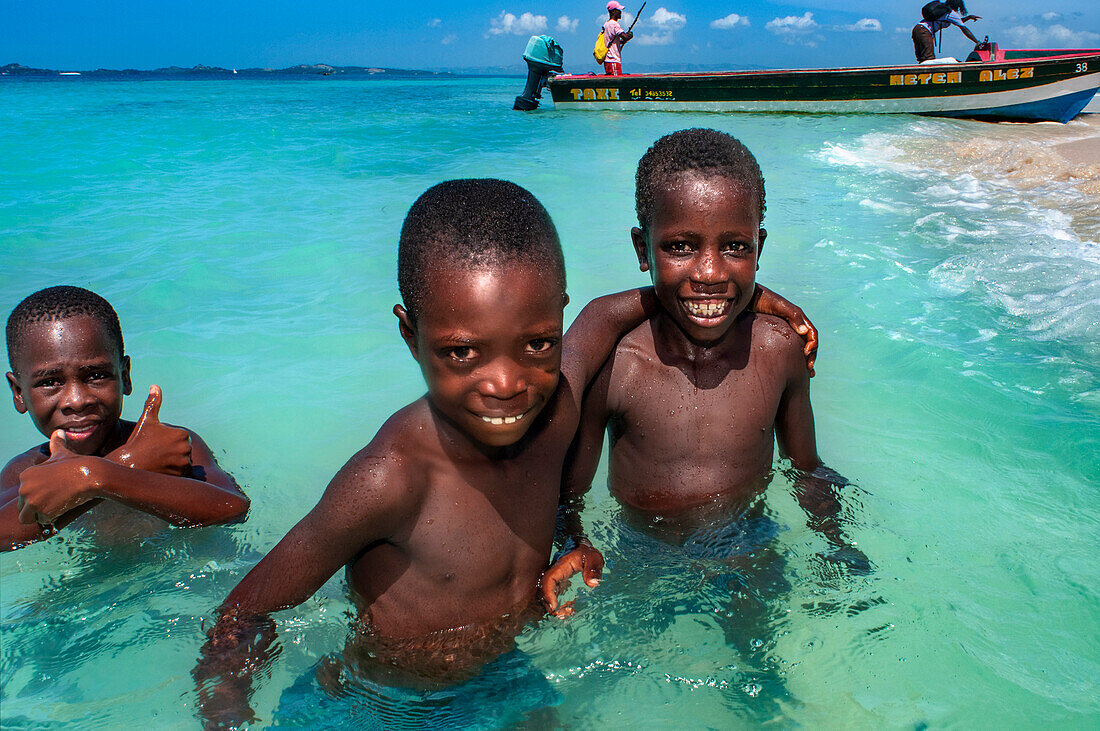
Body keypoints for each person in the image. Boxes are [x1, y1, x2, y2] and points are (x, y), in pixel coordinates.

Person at [192, 179, 813, 727]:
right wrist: (226, 708)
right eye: (462, 352)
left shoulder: (556, 408)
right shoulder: (391, 479)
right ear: (410, 334)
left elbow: (612, 310)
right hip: (376, 702)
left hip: (507, 679)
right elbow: (244, 610)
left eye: (538, 344)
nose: (506, 382)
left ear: (556, 324)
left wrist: (756, 298)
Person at [552, 128, 866, 583]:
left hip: (748, 539)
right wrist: (573, 543)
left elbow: (808, 468)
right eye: (680, 246)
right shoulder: (618, 365)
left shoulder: (778, 350)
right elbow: (570, 496)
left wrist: (837, 540)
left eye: (735, 246)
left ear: (759, 249)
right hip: (642, 550)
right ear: (643, 250)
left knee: (763, 652)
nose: (710, 272)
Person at [2, 286, 248, 551]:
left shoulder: (167, 445)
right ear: (19, 393)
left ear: (125, 376)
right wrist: (122, 465)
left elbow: (233, 508)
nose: (77, 400)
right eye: (50, 382)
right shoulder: (22, 472)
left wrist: (95, 477)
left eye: (96, 375)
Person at [912, 0, 981, 63]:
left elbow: (958, 21)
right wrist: (977, 42)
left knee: (922, 59)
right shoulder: (951, 13)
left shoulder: (944, 11)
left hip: (917, 29)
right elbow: (964, 29)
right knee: (928, 58)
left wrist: (968, 17)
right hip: (924, 32)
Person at [603, 1, 634, 76]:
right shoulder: (614, 24)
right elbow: (625, 37)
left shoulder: (606, 24)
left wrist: (621, 42)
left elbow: (610, 40)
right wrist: (630, 35)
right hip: (613, 60)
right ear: (613, 12)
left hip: (607, 60)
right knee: (616, 83)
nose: (620, 12)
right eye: (618, 11)